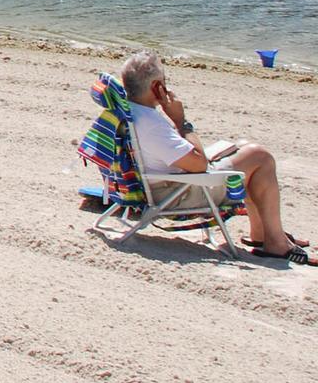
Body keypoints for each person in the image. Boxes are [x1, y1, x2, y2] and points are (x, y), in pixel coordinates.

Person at [120, 51, 305, 262]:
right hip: (177, 194)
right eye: (164, 81)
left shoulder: (131, 112)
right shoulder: (151, 125)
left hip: (160, 182)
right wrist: (181, 122)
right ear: (156, 87)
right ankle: (275, 242)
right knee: (260, 157)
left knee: (243, 147)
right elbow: (199, 164)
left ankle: (262, 234)